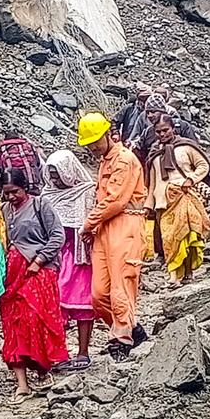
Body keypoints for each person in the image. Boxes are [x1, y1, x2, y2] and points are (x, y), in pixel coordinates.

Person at [77, 112, 149, 361]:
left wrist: (88, 223)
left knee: (121, 285)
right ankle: (131, 327)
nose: (93, 147)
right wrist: (94, 227)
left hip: (125, 224)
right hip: (104, 228)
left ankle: (121, 338)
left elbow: (116, 200)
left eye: (95, 141)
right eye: (90, 143)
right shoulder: (104, 162)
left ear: (108, 134)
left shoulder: (125, 160)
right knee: (98, 294)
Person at [0, 169, 69, 403]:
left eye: (14, 192)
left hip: (39, 271)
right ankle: (21, 384)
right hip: (14, 274)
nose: (10, 197)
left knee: (35, 319)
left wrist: (38, 261)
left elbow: (57, 236)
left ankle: (42, 369)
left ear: (25, 188)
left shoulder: (41, 205)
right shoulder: (5, 210)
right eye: (6, 193)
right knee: (13, 323)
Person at [40, 150, 96, 370]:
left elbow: (93, 221)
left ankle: (83, 352)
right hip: (56, 258)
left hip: (80, 257)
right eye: (51, 175)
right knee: (56, 306)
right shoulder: (47, 196)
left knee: (83, 305)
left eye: (58, 174)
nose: (54, 180)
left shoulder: (86, 192)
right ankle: (58, 352)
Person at [146, 118, 210, 284]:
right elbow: (152, 183)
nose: (162, 134)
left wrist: (191, 179)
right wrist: (148, 205)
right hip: (163, 201)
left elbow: (203, 166)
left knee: (188, 236)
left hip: (184, 196)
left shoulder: (186, 147)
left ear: (172, 128)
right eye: (158, 132)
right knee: (169, 239)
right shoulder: (155, 154)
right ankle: (174, 275)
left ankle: (189, 273)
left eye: (165, 130)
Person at [136, 93, 200, 163]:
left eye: (153, 111)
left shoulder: (182, 126)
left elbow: (194, 149)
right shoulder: (148, 132)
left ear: (162, 111)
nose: (149, 115)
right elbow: (141, 154)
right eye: (147, 112)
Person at [0, 129, 44, 194]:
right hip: (33, 189)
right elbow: (42, 165)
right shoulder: (29, 146)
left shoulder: (3, 149)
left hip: (13, 191)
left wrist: (1, 189)